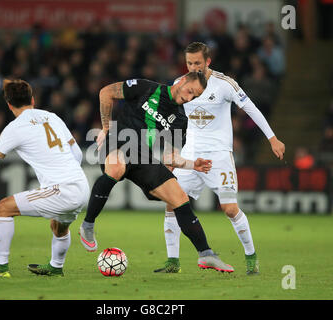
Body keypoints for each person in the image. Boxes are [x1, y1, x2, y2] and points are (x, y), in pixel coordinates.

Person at [79, 71, 235, 272]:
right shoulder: (146, 87)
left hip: (142, 156)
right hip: (117, 141)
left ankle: (206, 255)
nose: (188, 98)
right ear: (184, 80)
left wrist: (191, 164)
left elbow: (171, 158)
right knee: (117, 166)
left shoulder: (180, 119)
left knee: (179, 197)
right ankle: (88, 225)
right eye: (190, 91)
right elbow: (106, 92)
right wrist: (106, 128)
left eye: (194, 97)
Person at [154, 42, 285, 275]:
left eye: (198, 63)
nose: (193, 67)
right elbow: (170, 117)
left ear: (208, 62)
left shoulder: (224, 84)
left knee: (230, 208)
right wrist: (170, 149)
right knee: (172, 203)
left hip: (219, 157)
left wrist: (272, 138)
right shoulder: (179, 84)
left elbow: (251, 108)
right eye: (189, 63)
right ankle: (172, 261)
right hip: (190, 155)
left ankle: (251, 256)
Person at [0, 79, 89, 277]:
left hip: (62, 189)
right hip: (81, 186)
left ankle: (0, 268)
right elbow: (78, 154)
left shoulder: (14, 128)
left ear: (9, 104)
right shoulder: (52, 117)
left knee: (3, 208)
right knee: (58, 226)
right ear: (32, 99)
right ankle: (56, 268)